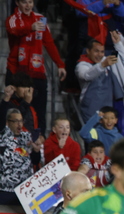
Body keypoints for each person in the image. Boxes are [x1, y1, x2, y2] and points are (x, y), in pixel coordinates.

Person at [6, 0, 66, 131]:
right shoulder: (12, 19)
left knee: (40, 113)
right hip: (17, 73)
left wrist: (60, 64)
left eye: (30, 2)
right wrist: (30, 28)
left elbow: (49, 43)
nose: (28, 5)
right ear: (17, 3)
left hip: (37, 73)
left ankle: (40, 141)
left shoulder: (40, 19)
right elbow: (13, 30)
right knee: (16, 112)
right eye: (24, 2)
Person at [0, 108, 42, 205]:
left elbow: (35, 161)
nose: (19, 124)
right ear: (7, 123)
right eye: (15, 121)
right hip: (6, 189)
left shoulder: (27, 137)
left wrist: (36, 150)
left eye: (21, 121)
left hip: (25, 190)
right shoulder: (2, 138)